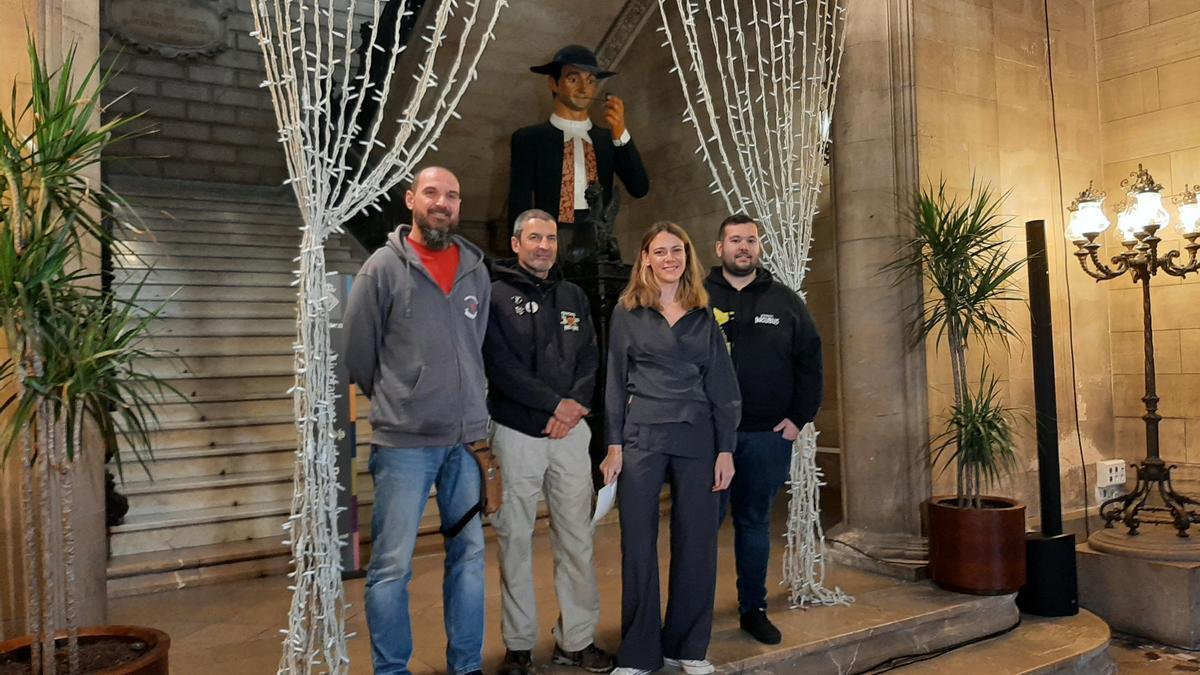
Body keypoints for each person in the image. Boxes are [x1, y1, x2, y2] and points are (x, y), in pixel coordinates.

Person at [343, 166, 490, 675]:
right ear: (410, 200)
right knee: (390, 567)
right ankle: (391, 670)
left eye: (452, 194)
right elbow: (359, 357)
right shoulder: (382, 268)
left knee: (469, 560)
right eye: (432, 193)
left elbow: (476, 346)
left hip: (466, 444)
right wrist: (406, 396)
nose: (442, 202)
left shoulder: (476, 269)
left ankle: (466, 666)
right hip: (404, 445)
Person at [600, 222, 741, 675]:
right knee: (638, 543)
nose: (668, 259)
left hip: (698, 437)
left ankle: (688, 647)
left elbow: (722, 384)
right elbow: (614, 384)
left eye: (676, 251)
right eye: (659, 251)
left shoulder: (703, 312)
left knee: (697, 542)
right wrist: (614, 443)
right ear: (645, 258)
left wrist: (726, 449)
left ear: (687, 256)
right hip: (642, 435)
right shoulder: (627, 310)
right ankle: (639, 652)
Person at [483, 209, 615, 675]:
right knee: (514, 539)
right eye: (534, 237)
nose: (544, 246)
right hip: (517, 433)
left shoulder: (573, 295)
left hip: (570, 435)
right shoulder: (495, 295)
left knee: (577, 538)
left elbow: (589, 358)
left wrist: (574, 405)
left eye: (551, 238)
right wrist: (552, 407)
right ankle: (518, 647)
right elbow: (499, 366)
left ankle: (576, 640)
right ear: (516, 243)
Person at [704, 214, 823, 645]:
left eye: (750, 240)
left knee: (754, 524)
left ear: (758, 247)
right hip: (708, 439)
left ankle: (752, 609)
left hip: (765, 438)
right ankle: (692, 615)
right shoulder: (696, 297)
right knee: (701, 528)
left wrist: (798, 419)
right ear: (719, 248)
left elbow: (810, 359)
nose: (743, 247)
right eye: (735, 240)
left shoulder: (785, 301)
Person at [509, 44, 649, 254]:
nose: (584, 89)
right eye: (573, 79)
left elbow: (639, 188)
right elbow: (519, 203)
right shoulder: (530, 139)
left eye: (591, 81)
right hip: (548, 243)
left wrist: (621, 134)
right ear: (553, 84)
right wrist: (518, 256)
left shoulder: (606, 139)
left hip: (598, 242)